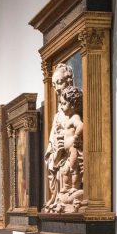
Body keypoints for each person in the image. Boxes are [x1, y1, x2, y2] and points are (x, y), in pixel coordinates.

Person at [44, 63, 74, 211]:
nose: (57, 88)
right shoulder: (57, 116)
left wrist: (66, 142)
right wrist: (53, 152)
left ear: (69, 81)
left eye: (60, 82)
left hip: (69, 159)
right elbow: (51, 144)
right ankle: (56, 197)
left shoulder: (75, 111)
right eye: (54, 84)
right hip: (58, 160)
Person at [56, 85, 84, 212]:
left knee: (74, 168)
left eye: (64, 103)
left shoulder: (75, 118)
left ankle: (74, 187)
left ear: (73, 105)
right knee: (64, 170)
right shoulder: (68, 119)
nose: (61, 106)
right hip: (68, 152)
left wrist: (77, 136)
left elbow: (81, 126)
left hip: (73, 149)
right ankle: (66, 188)